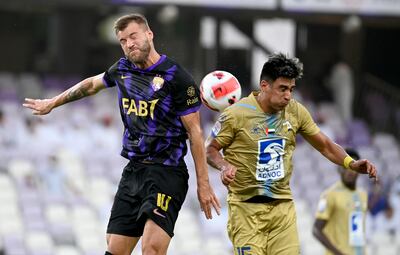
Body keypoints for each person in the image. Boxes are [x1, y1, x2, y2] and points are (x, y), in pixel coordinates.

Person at [23, 13, 221, 255]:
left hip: (166, 173)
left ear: (149, 34)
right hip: (134, 171)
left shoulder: (177, 78)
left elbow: (195, 132)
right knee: (115, 248)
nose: (129, 44)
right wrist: (53, 102)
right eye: (123, 40)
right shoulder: (123, 69)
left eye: (133, 36)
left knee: (152, 249)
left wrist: (203, 184)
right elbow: (90, 85)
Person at [205, 53, 377, 255]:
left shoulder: (295, 111)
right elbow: (210, 149)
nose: (288, 95)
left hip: (282, 211)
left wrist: (350, 163)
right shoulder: (236, 114)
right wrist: (225, 166)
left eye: (291, 89)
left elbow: (325, 145)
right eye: (283, 89)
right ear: (264, 86)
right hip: (246, 212)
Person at [313, 148, 368, 255]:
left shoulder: (363, 195)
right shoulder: (330, 195)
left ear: (359, 170)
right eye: (345, 167)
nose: (349, 172)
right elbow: (316, 230)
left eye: (352, 168)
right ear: (339, 169)